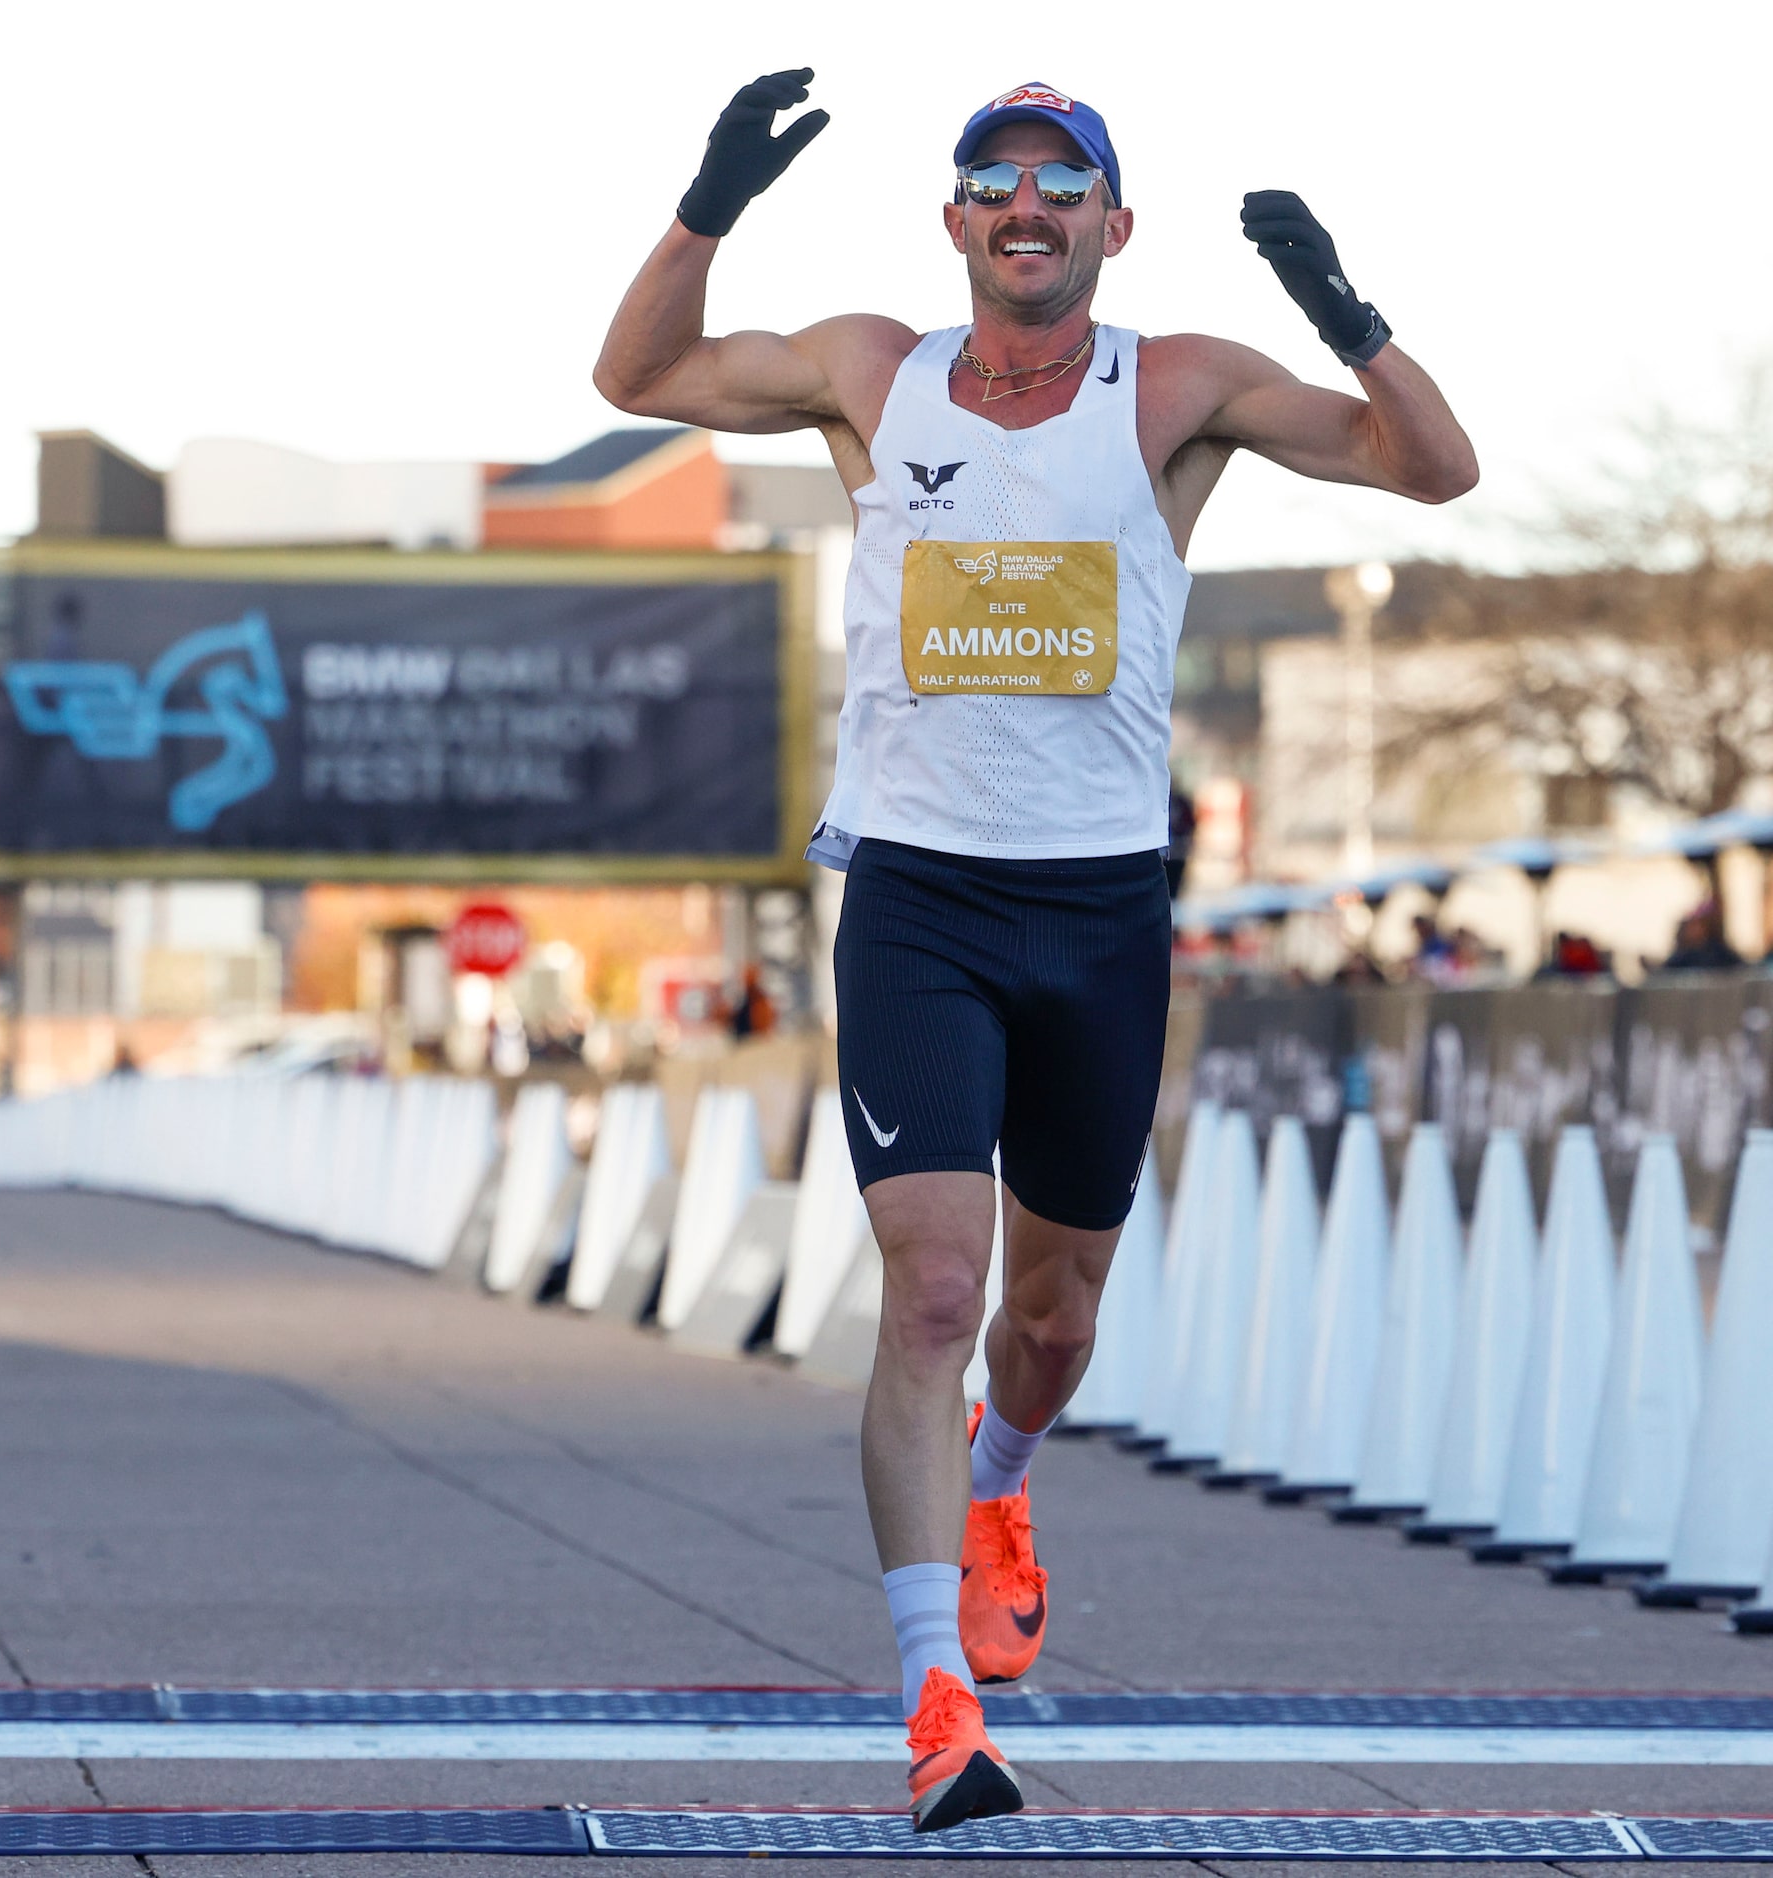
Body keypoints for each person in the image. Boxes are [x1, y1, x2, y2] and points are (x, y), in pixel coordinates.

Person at [595, 76, 1474, 1829]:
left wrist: (1347, 315)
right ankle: (936, 1701)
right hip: (919, 892)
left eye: (1062, 183)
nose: (1027, 203)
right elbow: (638, 383)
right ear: (956, 224)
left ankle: (1003, 1477)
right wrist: (707, 205)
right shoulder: (871, 371)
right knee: (930, 1287)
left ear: (1109, 227)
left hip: (1096, 910)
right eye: (993, 179)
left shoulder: (1177, 387)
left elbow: (1435, 472)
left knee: (1048, 1322)